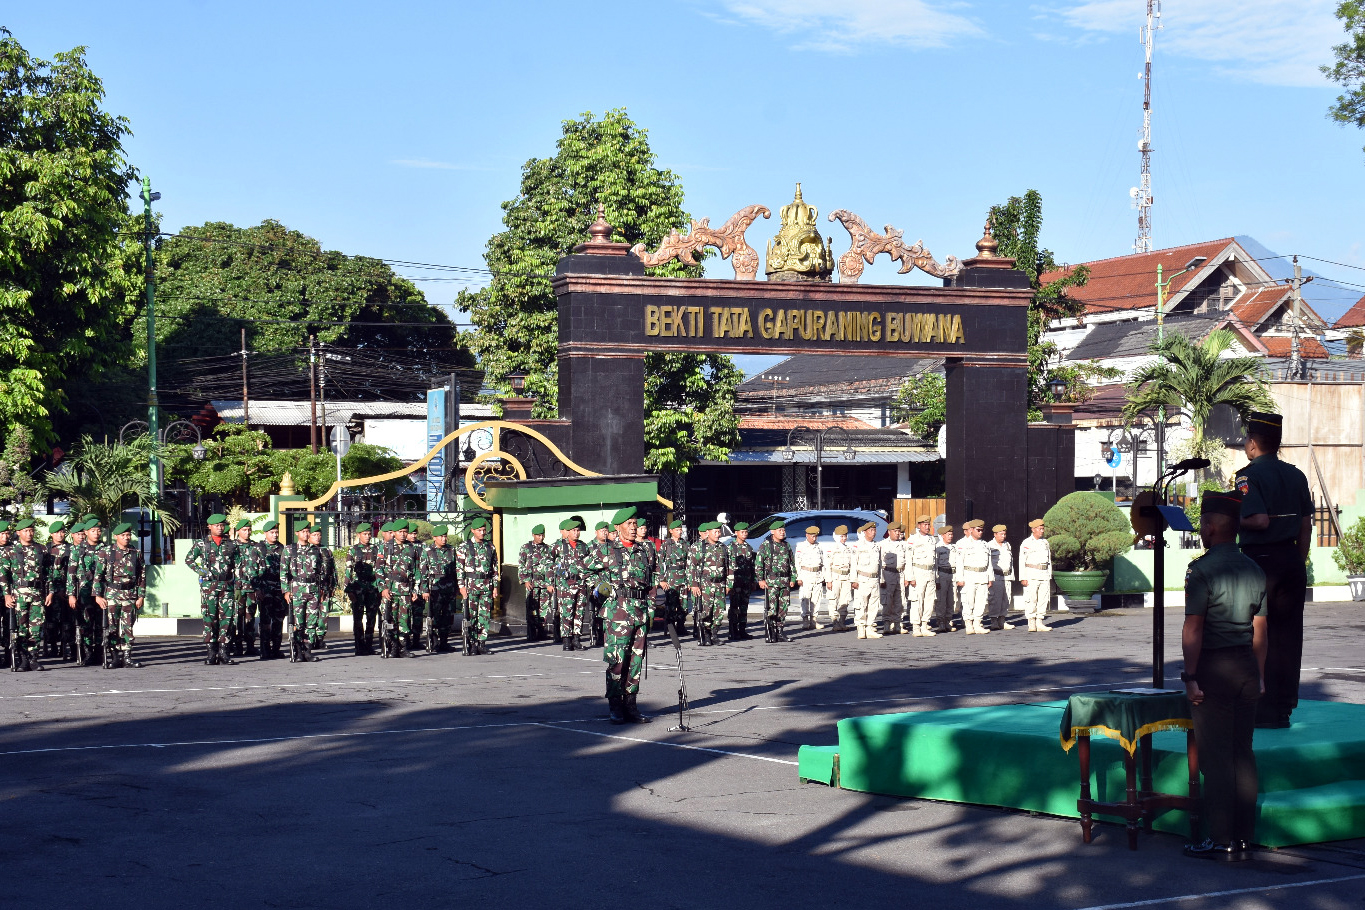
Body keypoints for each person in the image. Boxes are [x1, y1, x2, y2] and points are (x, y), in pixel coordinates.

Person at [1181, 490, 1267, 861]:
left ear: (1212, 527)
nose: (1201, 528)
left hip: (1214, 669)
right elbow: (1260, 631)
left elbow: (1194, 629)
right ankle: (1244, 835)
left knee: (1216, 757)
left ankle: (1219, 837)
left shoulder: (1201, 570)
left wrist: (1190, 677)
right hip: (1246, 667)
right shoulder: (1255, 568)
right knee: (1242, 753)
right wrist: (1260, 676)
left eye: (1203, 523)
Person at [1234, 411, 1313, 730]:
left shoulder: (1245, 477)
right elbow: (1306, 526)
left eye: (1245, 441)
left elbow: (1259, 519)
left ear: (1253, 443)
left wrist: (1232, 519)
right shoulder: (1297, 475)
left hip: (1259, 564)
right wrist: (1297, 560)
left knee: (1256, 634)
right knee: (1289, 636)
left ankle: (1258, 704)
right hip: (1291, 562)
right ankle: (1283, 707)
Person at [604, 506, 655, 724]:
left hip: (640, 613)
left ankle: (630, 704)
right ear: (618, 527)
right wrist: (602, 590)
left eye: (635, 524)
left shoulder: (644, 551)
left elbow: (651, 582)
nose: (634, 528)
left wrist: (652, 608)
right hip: (618, 614)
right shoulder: (606, 551)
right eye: (629, 524)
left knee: (636, 662)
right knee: (617, 661)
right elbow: (579, 570)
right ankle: (615, 706)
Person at [185, 514, 240, 665]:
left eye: (222, 525)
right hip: (209, 587)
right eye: (217, 525)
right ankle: (211, 652)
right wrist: (203, 572)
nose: (220, 528)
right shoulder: (202, 544)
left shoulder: (231, 544)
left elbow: (239, 562)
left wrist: (236, 578)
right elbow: (189, 560)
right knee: (210, 619)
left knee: (227, 619)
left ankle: (224, 651)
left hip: (226, 586)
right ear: (209, 527)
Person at [94, 521, 146, 669]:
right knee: (112, 627)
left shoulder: (136, 553)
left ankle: (127, 657)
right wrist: (98, 595)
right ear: (116, 536)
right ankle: (115, 657)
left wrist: (141, 596)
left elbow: (142, 576)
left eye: (128, 535)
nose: (126, 538)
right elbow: (99, 575)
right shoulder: (107, 552)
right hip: (112, 595)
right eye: (123, 535)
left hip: (129, 594)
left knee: (128, 627)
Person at [283, 524, 335, 661]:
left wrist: (323, 589)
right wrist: (286, 591)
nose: (306, 534)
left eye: (307, 532)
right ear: (297, 533)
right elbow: (283, 572)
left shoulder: (316, 551)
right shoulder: (290, 550)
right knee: (298, 623)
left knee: (311, 623)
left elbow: (322, 572)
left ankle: (308, 650)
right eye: (303, 531)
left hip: (313, 590)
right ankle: (298, 651)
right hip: (297, 591)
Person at [5, 518, 49, 671]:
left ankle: (34, 658)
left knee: (36, 628)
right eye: (25, 531)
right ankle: (23, 659)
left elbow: (49, 573)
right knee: (21, 628)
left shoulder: (41, 549)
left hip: (37, 593)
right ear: (18, 533)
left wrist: (49, 593)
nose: (29, 533)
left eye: (31, 530)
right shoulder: (11, 551)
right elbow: (4, 574)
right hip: (19, 594)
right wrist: (7, 595)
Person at [457, 516, 499, 655]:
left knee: (484, 615)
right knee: (471, 616)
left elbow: (494, 568)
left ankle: (482, 643)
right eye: (479, 530)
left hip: (486, 586)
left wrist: (495, 586)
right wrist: (462, 586)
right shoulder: (464, 547)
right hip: (471, 586)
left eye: (484, 530)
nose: (482, 533)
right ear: (472, 530)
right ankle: (472, 643)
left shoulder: (490, 546)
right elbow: (459, 569)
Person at [688, 521, 732, 645]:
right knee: (705, 611)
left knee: (718, 611)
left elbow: (729, 567)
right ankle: (705, 634)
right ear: (708, 533)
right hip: (705, 585)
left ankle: (714, 634)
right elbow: (691, 567)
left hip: (720, 585)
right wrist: (694, 584)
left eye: (719, 532)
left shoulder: (723, 548)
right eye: (715, 532)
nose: (718, 534)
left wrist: (729, 584)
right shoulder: (698, 547)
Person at [379, 520, 419, 658]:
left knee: (405, 619)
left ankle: (403, 647)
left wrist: (415, 590)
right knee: (390, 619)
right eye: (400, 532)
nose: (403, 534)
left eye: (405, 532)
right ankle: (392, 646)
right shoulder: (386, 547)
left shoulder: (412, 548)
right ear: (394, 532)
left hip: (406, 590)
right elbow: (378, 569)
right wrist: (383, 588)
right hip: (390, 590)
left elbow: (416, 571)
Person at [554, 517, 593, 651]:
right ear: (568, 532)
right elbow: (548, 562)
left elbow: (589, 563)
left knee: (579, 612)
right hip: (566, 584)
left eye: (578, 530)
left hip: (581, 583)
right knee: (567, 612)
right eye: (573, 530)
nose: (576, 533)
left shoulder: (583, 546)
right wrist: (559, 572)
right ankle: (566, 640)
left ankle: (576, 639)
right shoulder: (559, 545)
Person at [756, 521, 798, 642]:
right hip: (772, 582)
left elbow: (792, 564)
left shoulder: (786, 545)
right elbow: (759, 564)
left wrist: (793, 578)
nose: (782, 532)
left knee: (783, 608)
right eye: (780, 530)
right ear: (772, 531)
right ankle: (771, 631)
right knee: (772, 609)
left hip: (784, 582)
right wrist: (760, 579)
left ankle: (780, 631)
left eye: (783, 530)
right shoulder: (766, 545)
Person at [418, 524, 457, 652]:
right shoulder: (428, 551)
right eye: (441, 536)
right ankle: (433, 642)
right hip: (435, 589)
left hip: (449, 588)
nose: (444, 539)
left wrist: (457, 587)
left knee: (447, 616)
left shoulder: (452, 550)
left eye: (445, 536)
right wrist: (424, 589)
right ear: (434, 538)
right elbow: (423, 572)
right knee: (434, 616)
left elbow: (457, 570)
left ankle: (444, 642)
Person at [344, 522, 381, 655]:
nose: (367, 536)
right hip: (358, 589)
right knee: (358, 619)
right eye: (364, 534)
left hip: (372, 588)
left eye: (369, 534)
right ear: (359, 535)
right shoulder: (353, 550)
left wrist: (380, 588)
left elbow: (379, 570)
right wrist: (348, 590)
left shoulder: (376, 549)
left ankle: (369, 646)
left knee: (372, 618)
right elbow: (348, 571)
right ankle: (359, 647)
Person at [255, 520, 287, 659]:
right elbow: (253, 570)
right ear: (265, 533)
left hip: (279, 590)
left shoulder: (282, 548)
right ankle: (264, 649)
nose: (275, 535)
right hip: (265, 590)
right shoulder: (259, 548)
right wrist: (257, 588)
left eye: (276, 532)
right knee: (265, 621)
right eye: (272, 532)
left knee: (279, 620)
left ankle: (276, 649)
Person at [954, 519, 993, 635]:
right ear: (971, 530)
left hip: (982, 575)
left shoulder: (985, 544)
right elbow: (959, 562)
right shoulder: (962, 544)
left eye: (982, 530)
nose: (980, 532)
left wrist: (990, 578)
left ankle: (977, 624)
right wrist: (959, 578)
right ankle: (969, 624)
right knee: (968, 601)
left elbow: (989, 563)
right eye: (978, 530)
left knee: (981, 602)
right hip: (969, 575)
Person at [231, 519, 262, 657]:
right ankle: (237, 646)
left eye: (249, 530)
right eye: (244, 530)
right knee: (237, 618)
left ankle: (250, 646)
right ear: (238, 531)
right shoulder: (232, 546)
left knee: (250, 618)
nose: (247, 532)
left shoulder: (255, 547)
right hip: (236, 589)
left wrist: (259, 586)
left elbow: (262, 567)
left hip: (251, 589)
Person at [518, 524, 554, 641]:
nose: (541, 537)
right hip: (532, 583)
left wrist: (550, 583)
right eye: (538, 535)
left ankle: (541, 632)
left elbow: (551, 567)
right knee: (531, 609)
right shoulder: (526, 548)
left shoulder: (548, 549)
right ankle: (531, 633)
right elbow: (521, 565)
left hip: (544, 583)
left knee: (543, 609)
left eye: (542, 535)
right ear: (533, 535)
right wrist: (525, 580)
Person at [43, 519, 72, 659]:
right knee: (50, 621)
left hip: (66, 590)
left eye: (62, 532)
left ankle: (65, 648)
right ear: (51, 534)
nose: (60, 535)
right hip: (50, 590)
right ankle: (52, 646)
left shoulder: (71, 549)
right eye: (56, 532)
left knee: (66, 621)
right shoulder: (45, 549)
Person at [1018, 519, 1053, 632]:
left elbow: (1049, 561)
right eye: (1039, 529)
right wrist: (1023, 577)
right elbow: (1022, 560)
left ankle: (1040, 622)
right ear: (1033, 529)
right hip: (1031, 573)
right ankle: (1031, 622)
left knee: (1043, 599)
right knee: (1031, 598)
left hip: (1044, 574)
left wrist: (1049, 575)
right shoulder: (1027, 543)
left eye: (1043, 528)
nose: (1042, 531)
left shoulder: (1045, 542)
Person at [905, 515, 938, 637]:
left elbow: (935, 560)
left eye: (928, 524)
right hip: (918, 571)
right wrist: (910, 577)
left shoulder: (932, 539)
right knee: (917, 600)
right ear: (919, 526)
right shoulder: (912, 540)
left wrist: (936, 575)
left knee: (929, 600)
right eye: (924, 524)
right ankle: (916, 627)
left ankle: (925, 625)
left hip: (930, 572)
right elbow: (908, 559)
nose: (927, 527)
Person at [850, 522, 883, 639]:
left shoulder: (876, 546)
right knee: (861, 604)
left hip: (874, 579)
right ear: (864, 532)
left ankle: (869, 628)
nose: (873, 533)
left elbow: (879, 564)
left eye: (874, 530)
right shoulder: (857, 545)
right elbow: (853, 563)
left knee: (873, 605)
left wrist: (881, 578)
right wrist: (853, 580)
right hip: (862, 578)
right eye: (870, 530)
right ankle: (861, 628)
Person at [726, 522, 756, 640]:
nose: (744, 534)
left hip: (746, 582)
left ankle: (742, 629)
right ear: (736, 533)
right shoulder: (730, 548)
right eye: (742, 532)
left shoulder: (748, 547)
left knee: (744, 606)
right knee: (734, 607)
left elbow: (752, 566)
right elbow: (728, 567)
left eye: (746, 532)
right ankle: (732, 630)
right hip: (735, 582)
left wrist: (753, 581)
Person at [659, 520, 689, 636]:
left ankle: (681, 626)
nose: (680, 532)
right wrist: (662, 579)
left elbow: (689, 563)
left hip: (683, 577)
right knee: (671, 604)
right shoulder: (666, 544)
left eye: (681, 530)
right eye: (677, 530)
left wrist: (690, 580)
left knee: (684, 604)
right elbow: (660, 562)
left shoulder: (685, 544)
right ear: (671, 531)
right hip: (671, 578)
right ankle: (670, 627)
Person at [879, 521, 908, 635]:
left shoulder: (904, 545)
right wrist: (881, 579)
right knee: (887, 600)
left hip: (900, 574)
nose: (897, 533)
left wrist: (907, 577)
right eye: (895, 531)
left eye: (898, 531)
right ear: (889, 532)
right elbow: (880, 563)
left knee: (900, 600)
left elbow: (908, 562)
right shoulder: (882, 545)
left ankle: (897, 623)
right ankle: (887, 623)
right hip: (888, 574)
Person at [795, 525, 826, 631]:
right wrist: (798, 577)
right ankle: (805, 620)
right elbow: (797, 563)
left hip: (817, 575)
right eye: (812, 536)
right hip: (805, 575)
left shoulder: (819, 546)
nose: (814, 538)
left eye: (816, 536)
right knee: (805, 599)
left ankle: (814, 620)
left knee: (816, 599)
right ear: (807, 535)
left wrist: (824, 576)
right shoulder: (801, 546)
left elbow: (823, 562)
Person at [588, 521, 613, 647]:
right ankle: (598, 636)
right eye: (602, 531)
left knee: (611, 612)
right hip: (597, 585)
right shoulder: (590, 547)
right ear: (596, 532)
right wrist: (594, 584)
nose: (605, 533)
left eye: (606, 530)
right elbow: (585, 568)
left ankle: (609, 635)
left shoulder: (613, 546)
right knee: (598, 612)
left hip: (611, 584)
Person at [987, 524, 1015, 631]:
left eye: (1004, 534)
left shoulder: (1007, 545)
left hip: (1007, 576)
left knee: (1006, 599)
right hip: (996, 575)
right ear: (995, 534)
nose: (1003, 536)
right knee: (995, 599)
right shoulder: (989, 545)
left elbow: (1010, 561)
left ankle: (1002, 620)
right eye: (1001, 534)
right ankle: (994, 620)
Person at [933, 523, 957, 633]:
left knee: (951, 600)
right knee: (941, 600)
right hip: (942, 574)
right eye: (948, 534)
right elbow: (935, 565)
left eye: (951, 534)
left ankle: (948, 621)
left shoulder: (954, 547)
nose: (950, 536)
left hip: (952, 575)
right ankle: (941, 622)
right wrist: (936, 580)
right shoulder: (937, 548)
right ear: (942, 535)